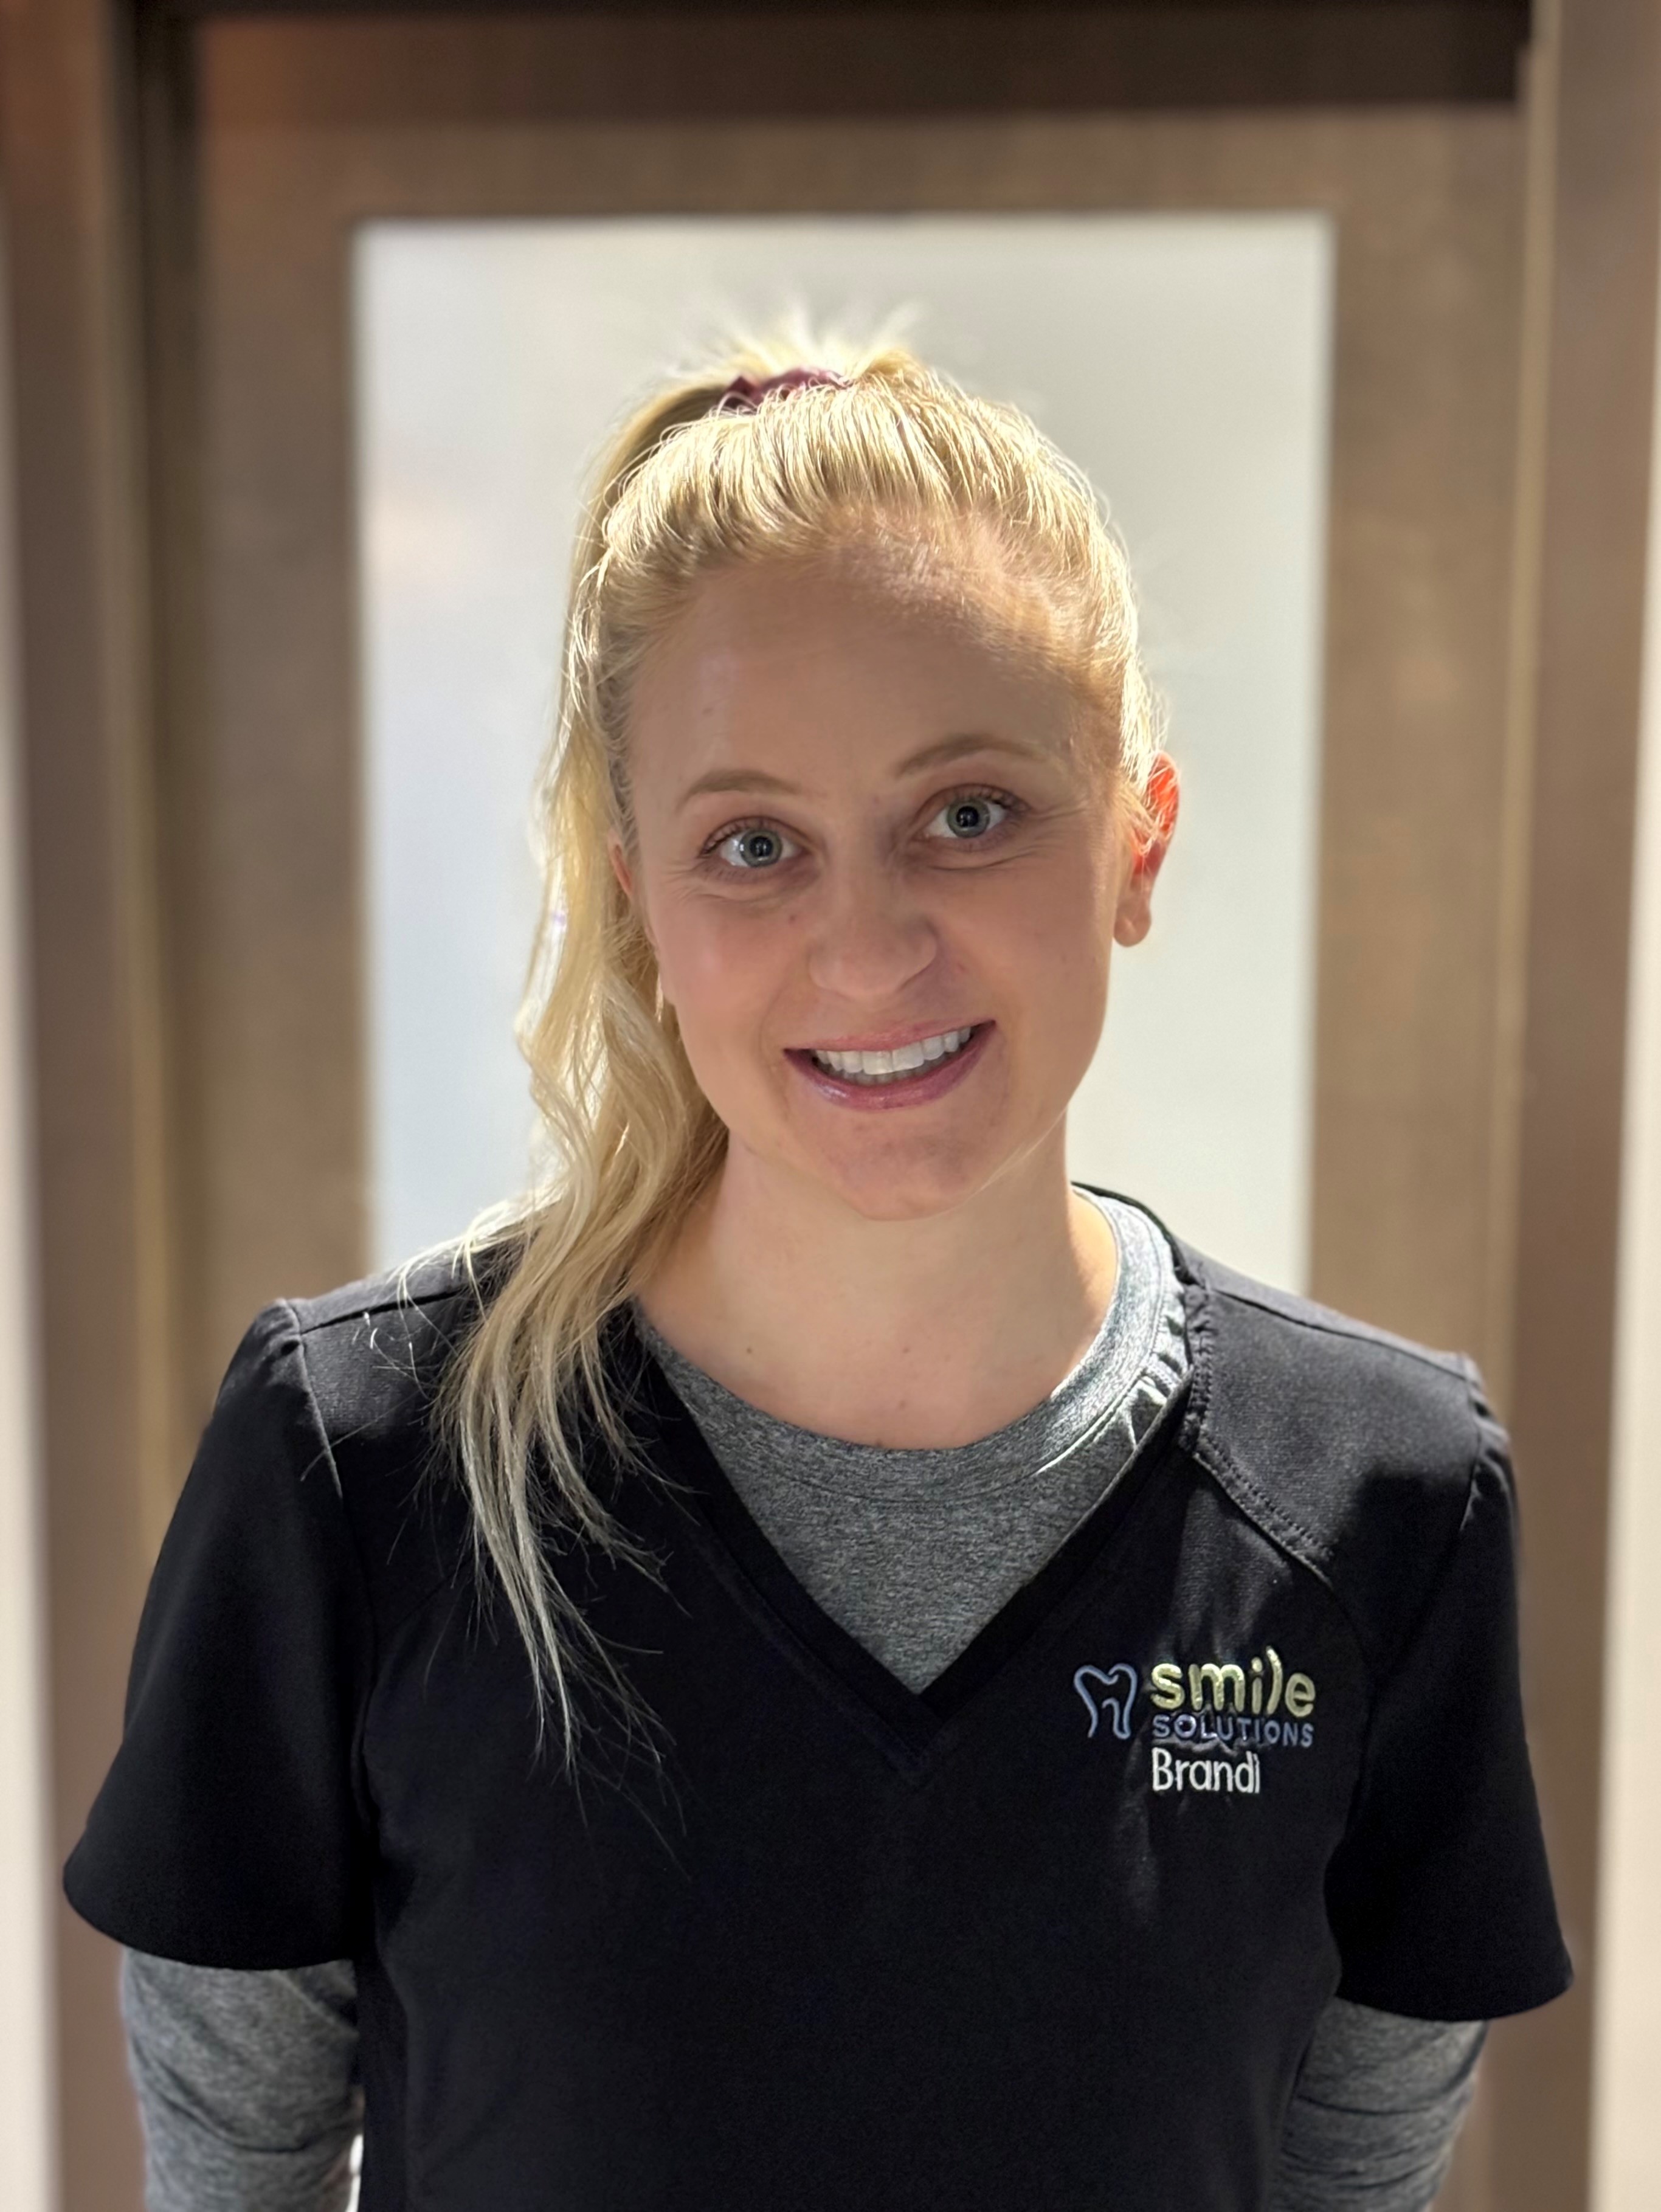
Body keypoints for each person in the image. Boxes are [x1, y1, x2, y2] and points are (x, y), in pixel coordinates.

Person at [65, 340, 1570, 2211]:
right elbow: (232, 2164)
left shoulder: (1379, 1494)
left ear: (1135, 840)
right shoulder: (362, 1461)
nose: (868, 949)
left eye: (968, 813)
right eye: (753, 844)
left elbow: (1356, 2179)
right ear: (637, 895)